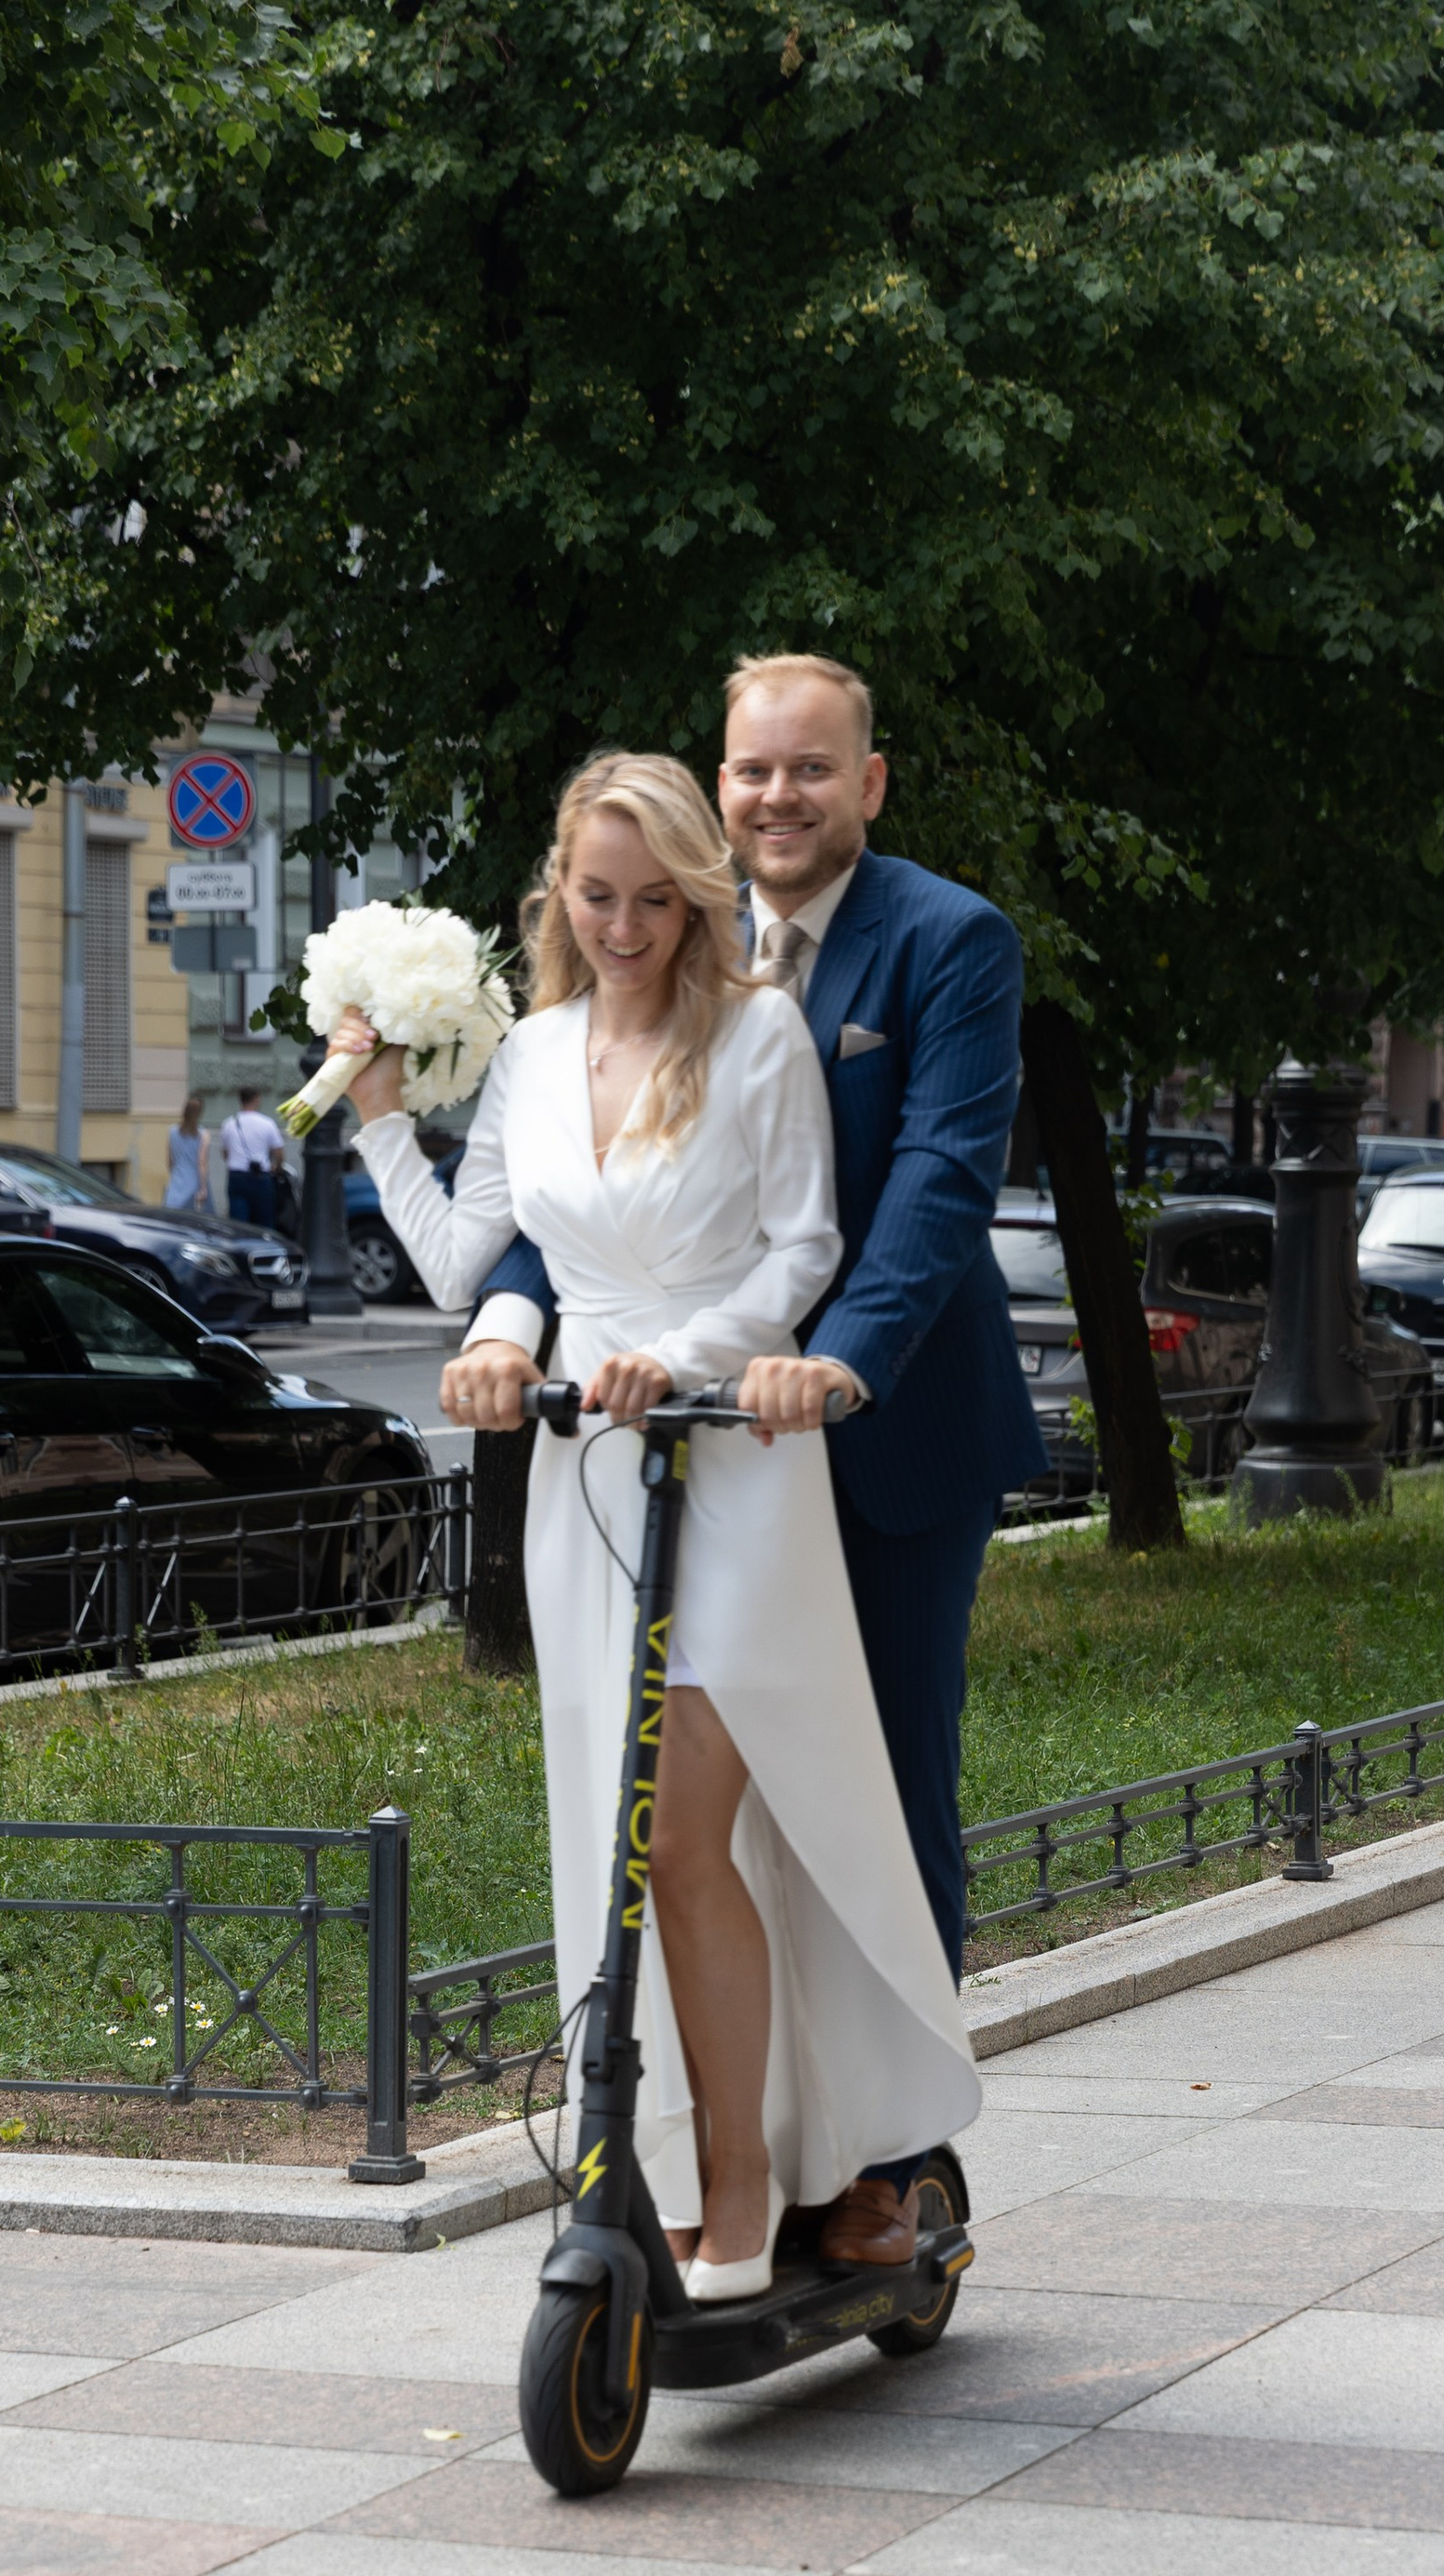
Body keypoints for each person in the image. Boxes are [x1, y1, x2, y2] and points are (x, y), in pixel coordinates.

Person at [334, 752, 977, 2296]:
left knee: (688, 1837)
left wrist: (678, 1359)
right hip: (586, 1477)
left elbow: (804, 1247)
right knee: (623, 1853)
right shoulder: (539, 1052)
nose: (623, 927)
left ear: (694, 898)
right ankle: (665, 2166)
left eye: (651, 900)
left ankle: (746, 2187)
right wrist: (472, 1294)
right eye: (595, 896)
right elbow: (476, 1258)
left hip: (729, 1460)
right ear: (560, 892)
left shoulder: (756, 1037)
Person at [447, 654, 1042, 2269]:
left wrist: (839, 1361)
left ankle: (892, 2169)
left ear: (871, 782)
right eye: (753, 770)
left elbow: (931, 1182)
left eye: (810, 769)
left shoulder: (943, 940)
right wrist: (515, 1317)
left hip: (873, 1431)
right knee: (692, 1826)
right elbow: (566, 1222)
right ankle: (741, 2155)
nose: (778, 796)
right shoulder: (654, 957)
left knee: (869, 1796)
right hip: (679, 1454)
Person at [221, 1088, 286, 1228]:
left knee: (238, 1223)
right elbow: (279, 1152)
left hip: (236, 1175)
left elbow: (225, 1153)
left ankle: (239, 1248)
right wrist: (276, 1167)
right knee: (264, 1222)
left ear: (240, 1100)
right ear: (257, 1099)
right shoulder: (267, 1123)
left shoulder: (229, 1123)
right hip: (261, 1176)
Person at [164, 1091, 209, 1212]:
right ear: (200, 1113)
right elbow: (202, 1162)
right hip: (194, 1184)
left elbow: (169, 1161)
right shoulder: (203, 1134)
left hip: (176, 1183)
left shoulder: (172, 1131)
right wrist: (203, 1188)